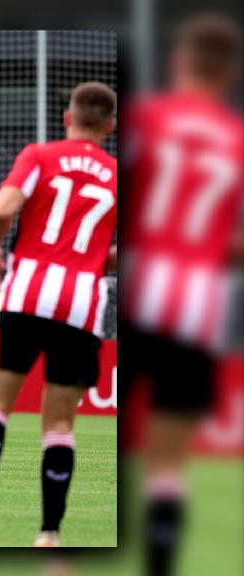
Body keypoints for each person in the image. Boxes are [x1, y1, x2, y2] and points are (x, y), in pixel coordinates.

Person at [0, 81, 118, 547]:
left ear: (68, 118)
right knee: (60, 426)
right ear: (109, 127)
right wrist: (90, 257)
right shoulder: (118, 173)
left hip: (26, 294)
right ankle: (48, 533)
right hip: (82, 306)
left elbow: (2, 209)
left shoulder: (40, 155)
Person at [120, 15, 244, 575]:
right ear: (230, 74)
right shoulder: (236, 141)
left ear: (178, 64)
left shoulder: (149, 119)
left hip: (140, 294)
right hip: (195, 310)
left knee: (107, 441)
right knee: (168, 462)